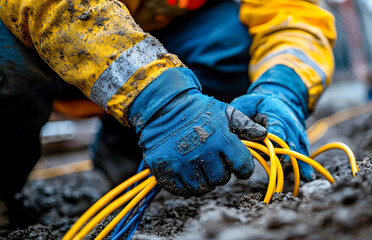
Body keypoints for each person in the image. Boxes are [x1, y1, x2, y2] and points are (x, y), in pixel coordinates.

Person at [0, 0, 336, 228]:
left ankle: (129, 146)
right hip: (49, 41)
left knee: (234, 36)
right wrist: (160, 100)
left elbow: (296, 15)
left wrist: (283, 86)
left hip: (170, 40)